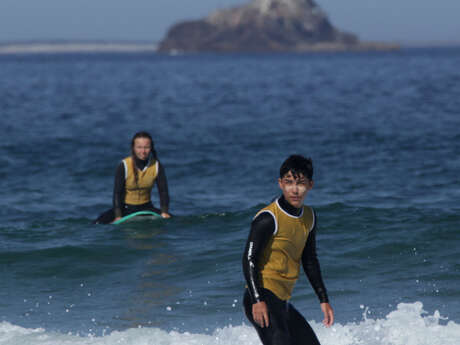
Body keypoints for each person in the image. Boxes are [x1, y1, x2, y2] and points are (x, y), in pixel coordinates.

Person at [242, 155, 334, 345]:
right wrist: (257, 300)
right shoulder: (268, 218)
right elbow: (249, 259)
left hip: (281, 301)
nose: (294, 189)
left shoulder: (309, 217)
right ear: (280, 183)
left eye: (300, 183)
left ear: (310, 185)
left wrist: (323, 300)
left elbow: (309, 260)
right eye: (289, 182)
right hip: (260, 295)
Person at [94, 131, 171, 224]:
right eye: (139, 147)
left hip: (147, 207)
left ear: (151, 148)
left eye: (146, 147)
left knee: (173, 220)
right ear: (133, 148)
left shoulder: (157, 166)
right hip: (126, 208)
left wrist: (164, 212)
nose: (143, 151)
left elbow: (163, 191)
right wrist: (118, 216)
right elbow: (117, 193)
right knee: (97, 223)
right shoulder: (124, 165)